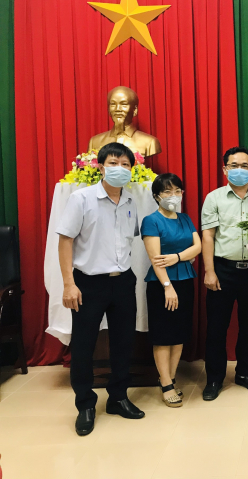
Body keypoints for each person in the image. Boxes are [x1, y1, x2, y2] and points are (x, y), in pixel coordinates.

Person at [57, 143, 145, 436]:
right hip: (88, 283)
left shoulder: (130, 200)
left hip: (123, 281)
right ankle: (85, 404)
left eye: (125, 164)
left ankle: (118, 397)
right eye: (113, 162)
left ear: (131, 169)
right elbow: (65, 240)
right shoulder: (81, 199)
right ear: (100, 166)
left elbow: (128, 239)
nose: (119, 168)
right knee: (84, 345)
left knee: (123, 342)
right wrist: (68, 284)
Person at [201, 147, 248, 400]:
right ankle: (214, 378)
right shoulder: (214, 198)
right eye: (234, 165)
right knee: (217, 328)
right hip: (223, 270)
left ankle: (245, 373)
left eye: (245, 166)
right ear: (225, 169)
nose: (239, 170)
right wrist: (209, 271)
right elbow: (208, 236)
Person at [141, 173, 201, 408]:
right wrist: (167, 286)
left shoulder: (185, 218)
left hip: (185, 280)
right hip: (162, 284)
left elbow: (197, 247)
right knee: (163, 335)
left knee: (179, 334)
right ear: (157, 196)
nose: (173, 195)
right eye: (167, 192)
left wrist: (177, 256)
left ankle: (171, 378)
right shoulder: (151, 221)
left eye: (177, 191)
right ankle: (166, 384)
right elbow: (156, 259)